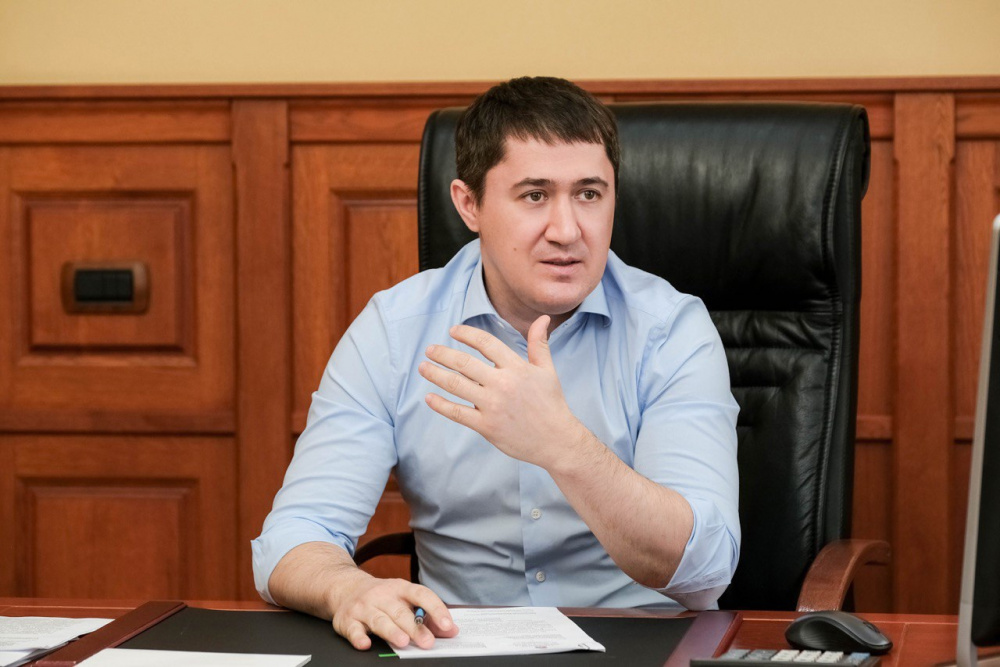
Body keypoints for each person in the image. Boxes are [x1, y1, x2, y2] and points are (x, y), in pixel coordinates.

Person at [251, 76, 740, 652]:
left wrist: (561, 444)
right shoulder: (396, 330)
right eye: (534, 195)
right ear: (469, 204)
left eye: (589, 194)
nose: (567, 230)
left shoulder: (670, 330)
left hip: (639, 645)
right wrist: (346, 588)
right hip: (455, 646)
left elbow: (705, 571)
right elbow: (293, 536)